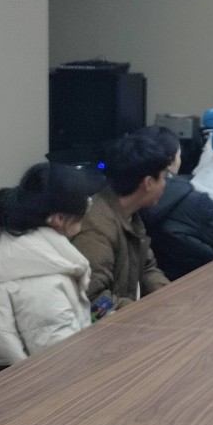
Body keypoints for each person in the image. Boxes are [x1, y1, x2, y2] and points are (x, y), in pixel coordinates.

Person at [0, 163, 98, 390]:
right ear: (59, 218)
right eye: (85, 204)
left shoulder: (11, 249)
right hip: (20, 399)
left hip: (8, 389)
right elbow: (64, 367)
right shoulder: (40, 279)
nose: (89, 207)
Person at [72, 130, 171, 317]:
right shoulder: (96, 228)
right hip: (105, 329)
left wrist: (173, 299)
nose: (166, 184)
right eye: (164, 177)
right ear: (148, 183)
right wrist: (145, 313)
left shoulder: (130, 215)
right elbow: (93, 301)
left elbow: (147, 269)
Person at [140, 127, 213, 279]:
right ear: (170, 161)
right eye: (179, 155)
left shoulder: (123, 198)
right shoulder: (196, 202)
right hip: (201, 279)